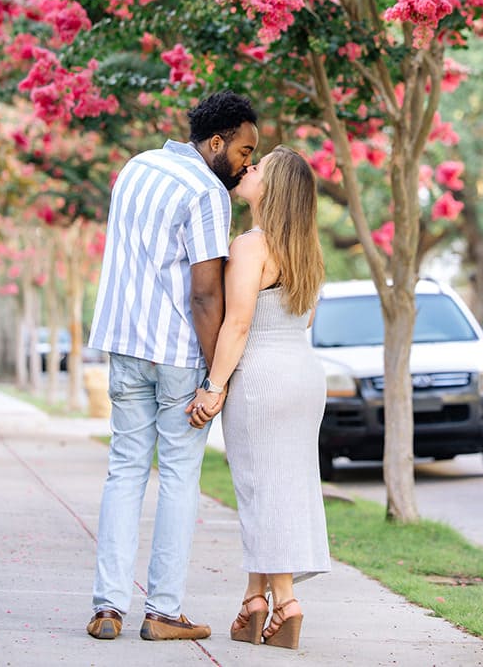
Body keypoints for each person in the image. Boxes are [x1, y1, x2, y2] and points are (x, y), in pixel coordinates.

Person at [86, 90, 259, 642]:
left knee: (125, 471)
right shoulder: (208, 192)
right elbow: (206, 295)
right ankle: (162, 612)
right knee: (180, 477)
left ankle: (108, 607)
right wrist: (217, 377)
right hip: (178, 356)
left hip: (123, 346)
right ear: (216, 141)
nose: (248, 163)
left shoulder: (135, 168)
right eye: (244, 150)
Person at [198, 145, 330, 650]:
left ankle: (287, 602)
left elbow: (238, 323)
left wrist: (213, 386)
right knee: (280, 488)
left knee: (262, 489)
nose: (248, 169)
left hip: (262, 378)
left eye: (260, 168)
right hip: (302, 374)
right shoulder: (305, 249)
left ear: (271, 188)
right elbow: (306, 319)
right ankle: (255, 600)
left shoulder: (253, 245)